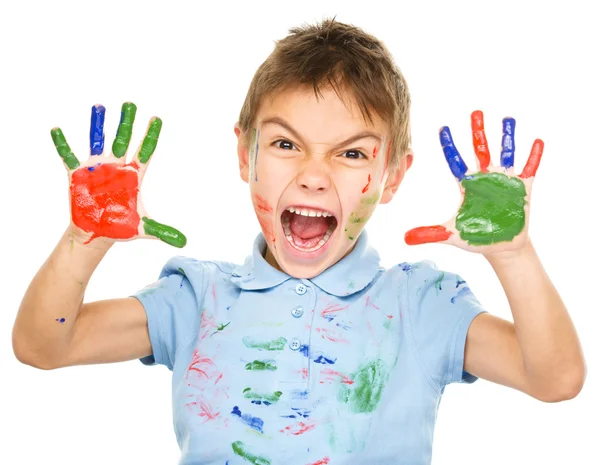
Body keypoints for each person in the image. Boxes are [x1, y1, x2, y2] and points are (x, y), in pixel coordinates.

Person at [12, 18, 585, 465]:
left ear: (393, 177)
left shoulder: (419, 305)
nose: (314, 174)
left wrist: (513, 255)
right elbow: (44, 346)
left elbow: (555, 378)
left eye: (352, 153)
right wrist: (84, 239)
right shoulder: (199, 299)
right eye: (287, 144)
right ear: (246, 155)